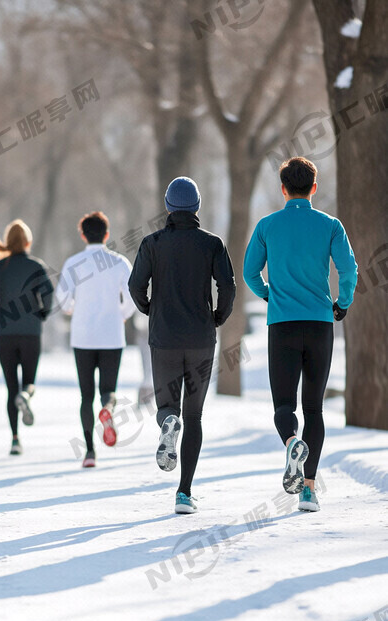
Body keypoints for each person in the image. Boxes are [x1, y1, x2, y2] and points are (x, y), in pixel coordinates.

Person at [244, 157, 358, 512]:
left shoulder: (267, 226)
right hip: (321, 325)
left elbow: (249, 273)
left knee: (283, 405)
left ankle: (292, 441)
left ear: (283, 189)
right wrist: (341, 304)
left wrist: (269, 295)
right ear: (313, 187)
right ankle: (308, 489)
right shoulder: (330, 226)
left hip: (282, 325)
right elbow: (349, 269)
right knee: (315, 408)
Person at [129, 176, 235, 513]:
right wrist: (217, 316)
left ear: (169, 206)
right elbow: (228, 287)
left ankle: (168, 422)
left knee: (167, 405)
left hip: (164, 337)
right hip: (201, 338)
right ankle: (184, 493)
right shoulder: (212, 244)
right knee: (196, 415)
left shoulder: (151, 243)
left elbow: (135, 286)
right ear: (197, 206)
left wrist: (149, 309)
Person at [56, 210, 135, 468]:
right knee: (108, 390)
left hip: (83, 337)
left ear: (82, 235)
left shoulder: (73, 263)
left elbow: (63, 300)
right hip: (112, 335)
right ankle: (109, 410)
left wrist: (72, 310)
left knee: (85, 396)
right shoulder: (119, 262)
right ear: (107, 234)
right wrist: (121, 315)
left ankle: (90, 452)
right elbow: (133, 296)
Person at [0, 220, 53, 455]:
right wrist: (42, 312)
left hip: (5, 334)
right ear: (27, 242)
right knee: (28, 381)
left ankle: (14, 438)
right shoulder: (36, 266)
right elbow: (48, 293)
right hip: (31, 333)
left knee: (10, 387)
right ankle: (26, 394)